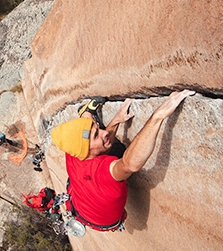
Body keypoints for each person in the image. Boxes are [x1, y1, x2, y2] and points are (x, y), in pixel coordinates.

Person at [50, 90, 195, 232]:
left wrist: (116, 120)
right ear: (86, 152)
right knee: (117, 150)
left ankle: (86, 113)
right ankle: (86, 115)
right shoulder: (101, 172)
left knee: (86, 134)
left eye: (98, 128)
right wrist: (157, 117)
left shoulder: (73, 149)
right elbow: (129, 164)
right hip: (101, 218)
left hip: (79, 201)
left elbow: (89, 136)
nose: (104, 131)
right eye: (96, 135)